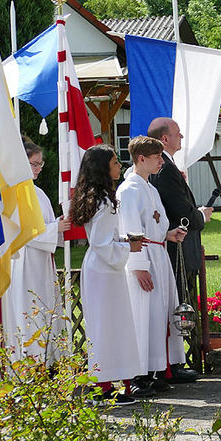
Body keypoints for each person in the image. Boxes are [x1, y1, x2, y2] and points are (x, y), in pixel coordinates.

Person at [69, 144, 144, 406]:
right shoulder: (102, 200)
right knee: (108, 326)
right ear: (103, 167)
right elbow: (102, 244)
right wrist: (128, 246)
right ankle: (105, 387)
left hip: (103, 268)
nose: (119, 166)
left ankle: (115, 383)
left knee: (114, 325)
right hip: (103, 269)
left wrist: (123, 240)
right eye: (114, 162)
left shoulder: (99, 196)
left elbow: (103, 239)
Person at [117, 136, 189, 396]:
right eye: (156, 157)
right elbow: (129, 230)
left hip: (158, 255)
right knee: (142, 315)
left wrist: (168, 234)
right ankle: (136, 375)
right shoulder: (128, 190)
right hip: (143, 258)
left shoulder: (150, 188)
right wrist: (138, 266)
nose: (161, 161)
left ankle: (154, 369)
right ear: (141, 159)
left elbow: (153, 224)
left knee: (158, 315)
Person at [147, 117, 207, 383]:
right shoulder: (166, 171)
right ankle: (170, 364)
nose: (182, 138)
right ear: (165, 139)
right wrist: (201, 216)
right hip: (174, 247)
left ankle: (174, 361)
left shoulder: (169, 168)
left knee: (178, 303)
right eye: (178, 134)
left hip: (176, 244)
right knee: (176, 305)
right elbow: (179, 210)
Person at [2, 139, 72, 364]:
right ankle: (29, 362)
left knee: (45, 310)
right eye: (34, 164)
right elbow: (21, 230)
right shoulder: (14, 192)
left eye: (41, 164)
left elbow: (47, 224)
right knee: (28, 310)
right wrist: (54, 229)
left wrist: (60, 225)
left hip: (42, 261)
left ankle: (48, 361)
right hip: (24, 260)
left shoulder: (39, 193)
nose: (39, 169)